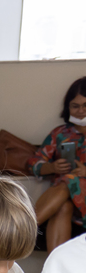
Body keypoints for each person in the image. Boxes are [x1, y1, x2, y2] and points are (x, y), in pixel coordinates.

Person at [28, 76, 86, 252]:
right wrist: (52, 167)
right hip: (63, 200)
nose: (81, 111)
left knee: (69, 179)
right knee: (62, 206)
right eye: (75, 106)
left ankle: (21, 229)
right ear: (68, 108)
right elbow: (33, 163)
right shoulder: (60, 133)